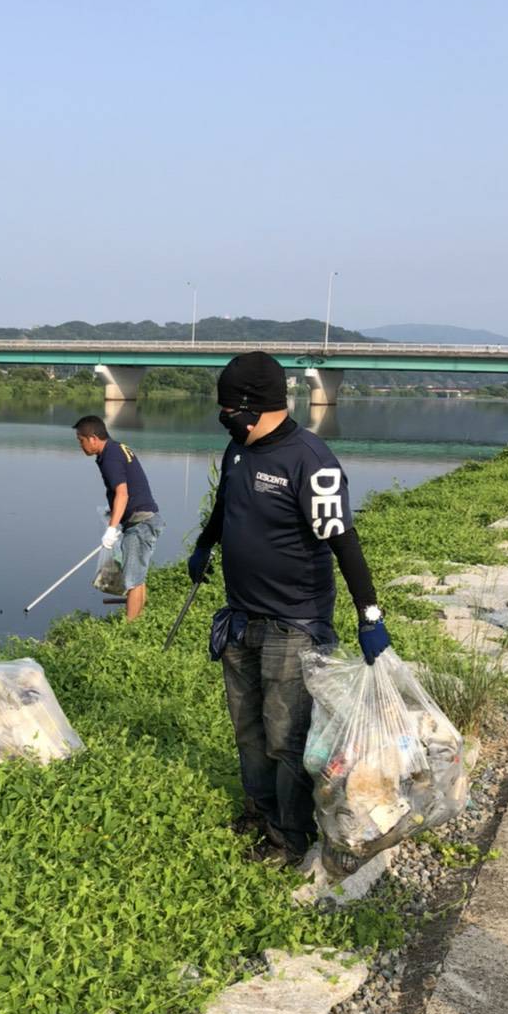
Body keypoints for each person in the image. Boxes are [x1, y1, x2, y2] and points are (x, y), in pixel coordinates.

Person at [187, 353, 390, 864]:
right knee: (249, 730)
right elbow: (224, 504)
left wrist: (370, 615)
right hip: (240, 618)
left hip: (294, 625)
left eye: (229, 408)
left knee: (286, 736)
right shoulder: (238, 449)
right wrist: (205, 544)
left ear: (255, 407)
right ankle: (258, 812)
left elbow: (343, 540)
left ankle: (289, 835)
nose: (224, 417)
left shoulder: (310, 461)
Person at [73, 416, 165, 620]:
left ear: (93, 438)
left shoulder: (110, 457)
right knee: (138, 577)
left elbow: (122, 493)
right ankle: (138, 622)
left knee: (132, 580)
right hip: (144, 518)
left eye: (81, 440)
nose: (81, 446)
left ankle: (130, 629)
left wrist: (112, 528)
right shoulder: (116, 449)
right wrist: (113, 511)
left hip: (140, 522)